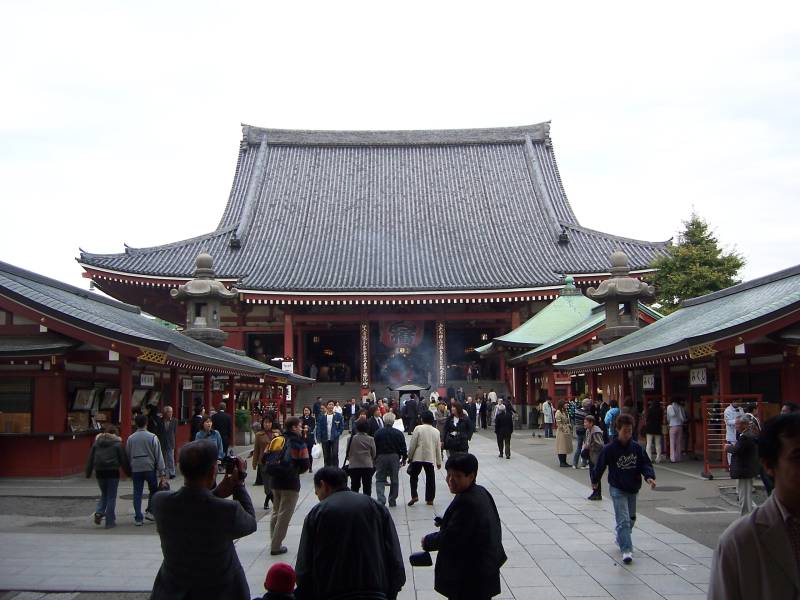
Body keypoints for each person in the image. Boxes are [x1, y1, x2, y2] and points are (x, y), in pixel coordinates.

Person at [149, 440, 257, 600]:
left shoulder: (160, 502)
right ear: (213, 470)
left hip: (173, 588)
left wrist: (214, 493)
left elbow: (193, 506)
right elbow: (250, 523)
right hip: (219, 590)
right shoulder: (227, 510)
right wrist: (239, 484)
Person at [708, 413, 800, 599]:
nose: (740, 426)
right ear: (769, 465)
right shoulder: (738, 542)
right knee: (744, 498)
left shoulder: (746, 438)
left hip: (744, 472)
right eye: (797, 457)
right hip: (743, 474)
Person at [294, 467, 406, 600]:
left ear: (323, 485)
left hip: (331, 592)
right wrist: (392, 590)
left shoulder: (317, 513)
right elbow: (394, 554)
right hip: (375, 592)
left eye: (317, 490)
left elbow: (304, 566)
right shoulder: (376, 507)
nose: (316, 494)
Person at [421, 454, 506, 600]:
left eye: (457, 476)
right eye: (449, 475)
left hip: (471, 577)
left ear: (471, 476)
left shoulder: (467, 502)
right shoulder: (480, 491)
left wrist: (427, 541)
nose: (450, 480)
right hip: (484, 571)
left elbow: (451, 537)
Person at [593, 413, 656, 564]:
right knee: (623, 520)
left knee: (631, 519)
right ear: (617, 430)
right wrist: (595, 481)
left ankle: (620, 537)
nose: (628, 434)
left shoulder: (636, 448)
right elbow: (600, 465)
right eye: (625, 431)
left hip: (633, 487)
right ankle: (627, 550)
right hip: (617, 487)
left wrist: (649, 477)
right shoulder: (610, 449)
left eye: (630, 430)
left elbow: (645, 464)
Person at [268, 416, 309, 556]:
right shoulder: (299, 443)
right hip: (290, 482)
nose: (301, 427)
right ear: (293, 427)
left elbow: (265, 457)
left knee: (276, 511)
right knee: (284, 514)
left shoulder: (278, 439)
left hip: (275, 480)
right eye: (299, 426)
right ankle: (276, 545)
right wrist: (296, 470)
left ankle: (274, 539)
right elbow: (305, 464)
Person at [85, 425, 130, 528]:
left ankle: (99, 512)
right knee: (111, 496)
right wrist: (128, 472)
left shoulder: (97, 443)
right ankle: (110, 521)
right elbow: (123, 459)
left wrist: (88, 472)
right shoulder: (117, 444)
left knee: (104, 493)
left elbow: (90, 458)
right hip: (113, 471)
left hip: (99, 471)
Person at [127, 413, 167, 526]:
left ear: (136, 423)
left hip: (136, 467)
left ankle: (138, 518)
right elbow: (158, 455)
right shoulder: (153, 437)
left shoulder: (131, 438)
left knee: (137, 493)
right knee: (153, 490)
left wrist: (131, 466)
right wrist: (162, 472)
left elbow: (128, 454)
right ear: (146, 423)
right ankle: (150, 511)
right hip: (149, 467)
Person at [726, 413, 760, 516]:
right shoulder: (748, 435)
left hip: (744, 469)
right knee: (745, 494)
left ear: (744, 424)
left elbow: (738, 450)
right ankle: (753, 513)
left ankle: (746, 515)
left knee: (744, 495)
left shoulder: (746, 436)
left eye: (738, 424)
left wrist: (728, 448)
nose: (736, 426)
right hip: (747, 468)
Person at [407, 410, 443, 506]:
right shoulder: (436, 431)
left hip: (417, 456)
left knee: (413, 476)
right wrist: (439, 461)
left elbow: (413, 444)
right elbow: (438, 448)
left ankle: (414, 495)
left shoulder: (418, 428)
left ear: (422, 419)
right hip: (429, 457)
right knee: (430, 478)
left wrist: (409, 456)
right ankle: (430, 499)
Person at [374, 412, 407, 507]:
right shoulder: (398, 433)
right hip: (394, 456)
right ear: (393, 422)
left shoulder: (378, 432)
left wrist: (374, 458)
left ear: (384, 421)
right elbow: (403, 447)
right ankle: (392, 500)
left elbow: (374, 446)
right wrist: (404, 458)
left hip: (381, 457)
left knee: (380, 478)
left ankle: (381, 499)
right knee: (394, 479)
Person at [344, 418, 376, 496]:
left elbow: (347, 453)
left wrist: (351, 458)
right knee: (367, 487)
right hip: (367, 465)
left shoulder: (350, 439)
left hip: (354, 465)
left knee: (354, 486)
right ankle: (367, 503)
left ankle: (354, 503)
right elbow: (374, 453)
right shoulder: (371, 439)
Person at [315, 400, 345, 467]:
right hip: (324, 438)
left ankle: (335, 469)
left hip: (334, 438)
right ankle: (327, 468)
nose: (331, 406)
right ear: (327, 406)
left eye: (332, 404)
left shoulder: (338, 415)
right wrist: (318, 438)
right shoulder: (322, 416)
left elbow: (342, 426)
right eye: (329, 404)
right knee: (326, 455)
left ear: (334, 406)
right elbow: (319, 427)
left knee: (335, 454)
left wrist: (338, 433)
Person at [583, 415, 605, 500]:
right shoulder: (588, 430)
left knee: (595, 475)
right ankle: (595, 491)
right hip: (591, 455)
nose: (584, 424)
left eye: (586, 422)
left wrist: (589, 447)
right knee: (592, 474)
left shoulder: (596, 431)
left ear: (591, 423)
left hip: (596, 456)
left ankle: (597, 493)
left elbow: (600, 445)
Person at [724, 401, 744, 467]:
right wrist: (737, 421)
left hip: (740, 433)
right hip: (732, 434)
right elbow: (728, 422)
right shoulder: (727, 410)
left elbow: (743, 418)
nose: (738, 403)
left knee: (740, 450)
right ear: (733, 402)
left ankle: (739, 467)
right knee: (731, 452)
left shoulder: (741, 409)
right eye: (737, 402)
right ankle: (731, 467)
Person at [643, 399, 663, 464]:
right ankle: (658, 458)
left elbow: (647, 418)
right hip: (658, 428)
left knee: (649, 444)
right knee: (658, 444)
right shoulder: (660, 410)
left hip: (649, 428)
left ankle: (649, 458)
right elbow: (661, 419)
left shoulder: (649, 410)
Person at [572, 399, 590, 468]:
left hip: (578, 430)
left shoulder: (576, 411)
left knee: (578, 447)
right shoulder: (586, 413)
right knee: (585, 447)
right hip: (585, 431)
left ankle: (574, 464)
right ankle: (584, 464)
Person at [160, 406, 178, 478]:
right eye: (169, 412)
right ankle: (163, 472)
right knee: (162, 457)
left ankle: (172, 473)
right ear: (165, 413)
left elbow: (175, 431)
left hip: (171, 440)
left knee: (171, 457)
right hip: (162, 441)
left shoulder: (175, 421)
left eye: (171, 412)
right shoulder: (160, 421)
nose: (170, 413)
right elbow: (159, 431)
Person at [555, 400, 573, 467]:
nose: (566, 405)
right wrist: (563, 428)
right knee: (561, 447)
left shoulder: (564, 412)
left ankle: (565, 462)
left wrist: (568, 425)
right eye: (565, 404)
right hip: (561, 432)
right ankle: (561, 462)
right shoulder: (558, 412)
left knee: (565, 447)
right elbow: (558, 423)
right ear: (562, 405)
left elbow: (567, 420)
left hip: (566, 430)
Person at [300, 406, 316, 472]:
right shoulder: (300, 418)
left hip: (309, 437)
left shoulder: (312, 418)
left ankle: (310, 467)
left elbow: (313, 426)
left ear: (310, 411)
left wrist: (308, 428)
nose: (306, 412)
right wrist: (303, 428)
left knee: (309, 453)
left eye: (307, 410)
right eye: (305, 410)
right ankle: (302, 466)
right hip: (302, 437)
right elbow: (299, 426)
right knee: (302, 453)